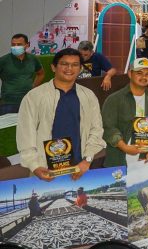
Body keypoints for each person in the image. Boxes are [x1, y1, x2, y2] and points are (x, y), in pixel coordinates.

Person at [16, 48, 104, 181]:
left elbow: (96, 130)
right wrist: (35, 166)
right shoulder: (34, 96)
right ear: (53, 67)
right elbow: (25, 134)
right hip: (45, 170)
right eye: (64, 64)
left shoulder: (88, 96)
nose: (69, 68)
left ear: (80, 69)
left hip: (79, 169)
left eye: (75, 65)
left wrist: (87, 160)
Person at [101, 58, 148, 167]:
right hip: (118, 158)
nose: (144, 77)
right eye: (139, 73)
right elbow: (108, 127)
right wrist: (124, 147)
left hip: (146, 159)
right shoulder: (114, 99)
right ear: (129, 74)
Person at [0, 34, 45, 114]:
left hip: (29, 100)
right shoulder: (3, 60)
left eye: (19, 44)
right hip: (8, 102)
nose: (15, 47)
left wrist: (33, 87)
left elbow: (41, 74)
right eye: (13, 44)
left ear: (27, 45)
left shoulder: (33, 59)